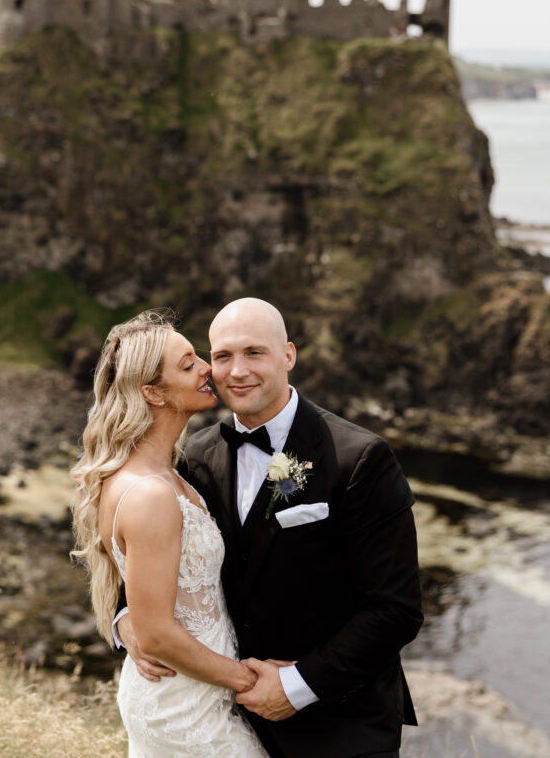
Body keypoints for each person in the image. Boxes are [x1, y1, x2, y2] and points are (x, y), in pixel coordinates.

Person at [116, 298, 423, 758]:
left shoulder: (361, 459)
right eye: (222, 356)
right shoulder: (193, 459)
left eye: (254, 353)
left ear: (289, 356)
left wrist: (297, 685)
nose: (237, 371)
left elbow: (395, 609)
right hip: (223, 717)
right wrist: (129, 624)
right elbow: (143, 550)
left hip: (339, 725)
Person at [71, 310, 270, 757]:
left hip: (197, 695)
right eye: (187, 364)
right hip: (183, 709)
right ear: (152, 392)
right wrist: (248, 680)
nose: (207, 369)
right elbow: (156, 633)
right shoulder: (149, 494)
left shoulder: (172, 472)